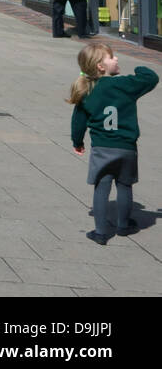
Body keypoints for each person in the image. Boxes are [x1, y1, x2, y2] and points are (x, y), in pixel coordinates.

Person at [69, 43, 157, 243]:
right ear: (101, 66)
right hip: (126, 148)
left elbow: (78, 122)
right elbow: (151, 77)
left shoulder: (87, 89)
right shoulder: (124, 85)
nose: (116, 59)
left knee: (102, 187)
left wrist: (78, 142)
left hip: (102, 147)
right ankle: (123, 225)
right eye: (111, 57)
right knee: (125, 186)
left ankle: (100, 232)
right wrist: (139, 67)